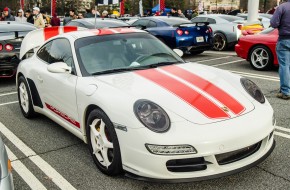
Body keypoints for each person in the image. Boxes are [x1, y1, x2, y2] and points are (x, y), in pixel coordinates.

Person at [270, 0, 290, 100]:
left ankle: (286, 92)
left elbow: (273, 23)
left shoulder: (283, 7)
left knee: (285, 66)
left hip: (285, 39)